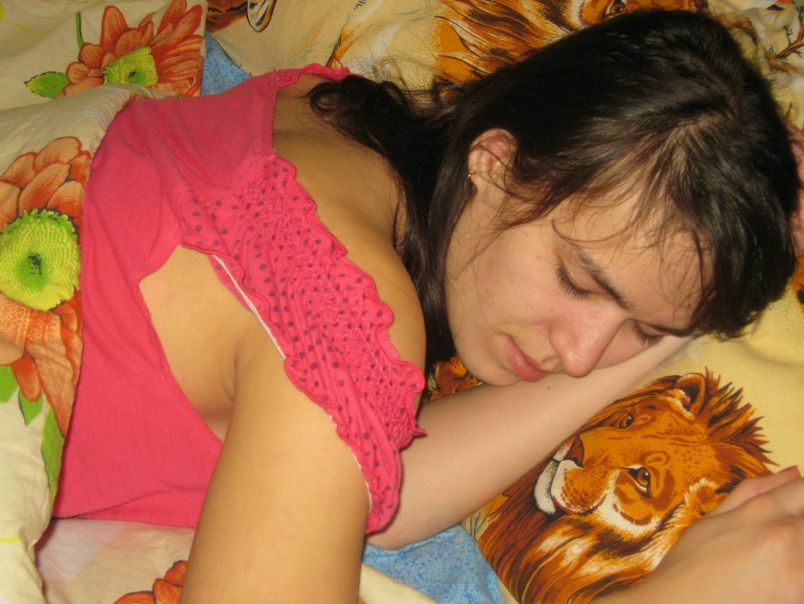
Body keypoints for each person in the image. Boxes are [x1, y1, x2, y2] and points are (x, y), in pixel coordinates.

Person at [52, 8, 804, 603]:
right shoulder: (339, 295)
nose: (579, 355)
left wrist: (671, 322)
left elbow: (377, 488)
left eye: (637, 325)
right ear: (495, 162)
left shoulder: (324, 115)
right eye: (578, 281)